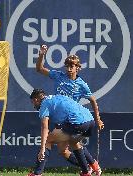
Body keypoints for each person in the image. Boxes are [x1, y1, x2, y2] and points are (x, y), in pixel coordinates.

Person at [35, 45, 104, 175]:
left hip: (73, 119)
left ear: (78, 68)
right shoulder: (58, 76)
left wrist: (98, 119)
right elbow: (39, 69)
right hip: (61, 118)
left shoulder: (81, 84)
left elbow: (93, 101)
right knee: (65, 150)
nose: (69, 69)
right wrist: (41, 55)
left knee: (62, 142)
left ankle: (90, 167)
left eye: (72, 66)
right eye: (67, 66)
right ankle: (92, 166)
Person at [29, 89, 98, 176]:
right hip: (90, 121)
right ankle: (89, 168)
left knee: (47, 140)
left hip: (77, 123)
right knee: (64, 149)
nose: (34, 106)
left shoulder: (44, 105)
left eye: (33, 103)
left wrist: (42, 148)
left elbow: (45, 128)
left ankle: (37, 173)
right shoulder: (57, 97)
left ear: (36, 99)